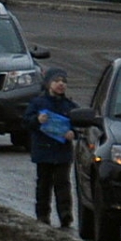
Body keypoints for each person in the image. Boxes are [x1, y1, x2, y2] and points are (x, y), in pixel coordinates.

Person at [25, 66, 76, 229]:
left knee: (63, 184)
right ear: (48, 84)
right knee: (43, 185)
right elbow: (26, 122)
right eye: (56, 81)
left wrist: (73, 133)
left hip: (62, 152)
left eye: (63, 81)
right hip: (43, 151)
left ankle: (65, 215)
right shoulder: (38, 103)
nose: (61, 84)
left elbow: (80, 126)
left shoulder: (70, 106)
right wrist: (37, 120)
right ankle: (42, 215)